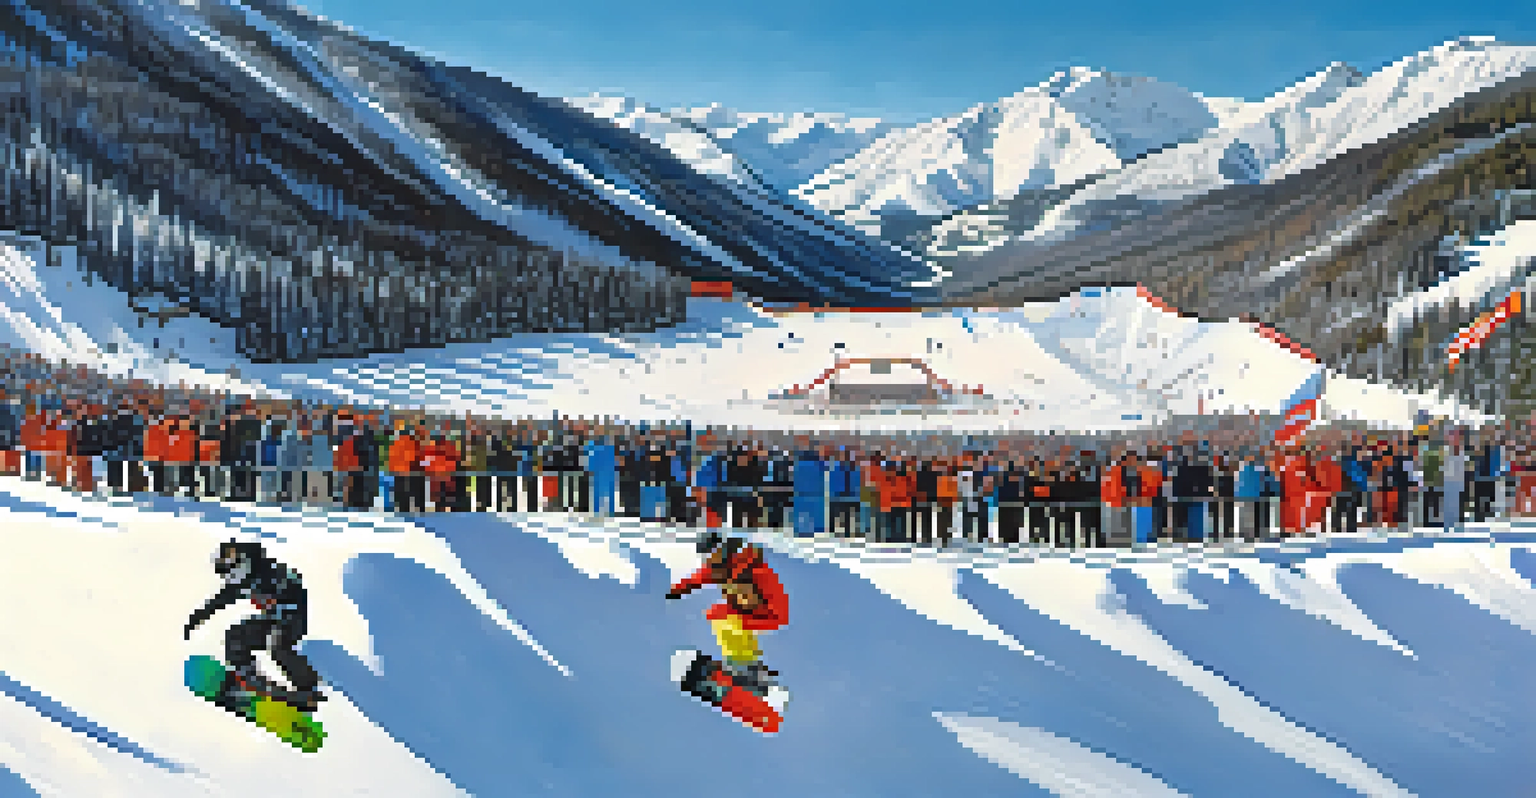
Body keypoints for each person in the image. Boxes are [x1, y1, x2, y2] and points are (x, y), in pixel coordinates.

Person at [184, 540, 326, 712]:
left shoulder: (268, 569)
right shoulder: (241, 582)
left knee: (276, 645)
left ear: (239, 562)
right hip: (272, 619)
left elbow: (295, 583)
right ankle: (248, 677)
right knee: (235, 635)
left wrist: (284, 597)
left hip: (293, 618)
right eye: (223, 575)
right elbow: (219, 600)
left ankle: (308, 688)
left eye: (228, 572)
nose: (228, 578)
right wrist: (196, 618)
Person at [666, 532, 789, 700]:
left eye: (710, 556)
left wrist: (745, 597)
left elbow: (761, 592)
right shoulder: (719, 568)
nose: (708, 561)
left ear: (722, 551)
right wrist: (676, 591)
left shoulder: (744, 564)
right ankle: (750, 666)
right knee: (721, 614)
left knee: (725, 617)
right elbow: (699, 578)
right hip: (753, 611)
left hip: (770, 611)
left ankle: (743, 666)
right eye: (705, 558)